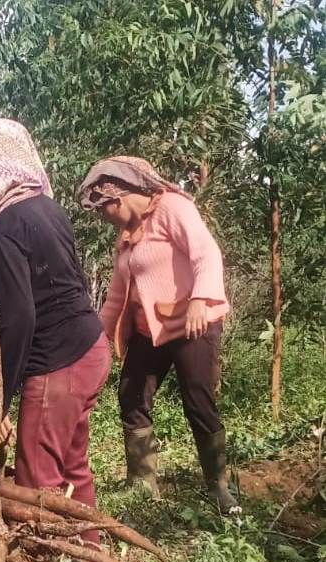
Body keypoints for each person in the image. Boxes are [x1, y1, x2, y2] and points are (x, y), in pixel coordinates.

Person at [0, 119, 110, 543]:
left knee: (36, 476)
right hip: (90, 348)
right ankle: (91, 559)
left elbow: (21, 318)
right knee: (73, 465)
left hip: (59, 363)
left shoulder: (7, 224)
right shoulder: (50, 209)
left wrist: (0, 401)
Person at [77, 155, 239, 512]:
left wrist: (200, 298)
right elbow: (117, 295)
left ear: (117, 198)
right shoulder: (126, 237)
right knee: (132, 395)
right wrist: (98, 339)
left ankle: (219, 486)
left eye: (104, 210)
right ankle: (143, 483)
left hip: (191, 323)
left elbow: (206, 254)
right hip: (147, 332)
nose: (104, 218)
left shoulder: (172, 208)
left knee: (198, 401)